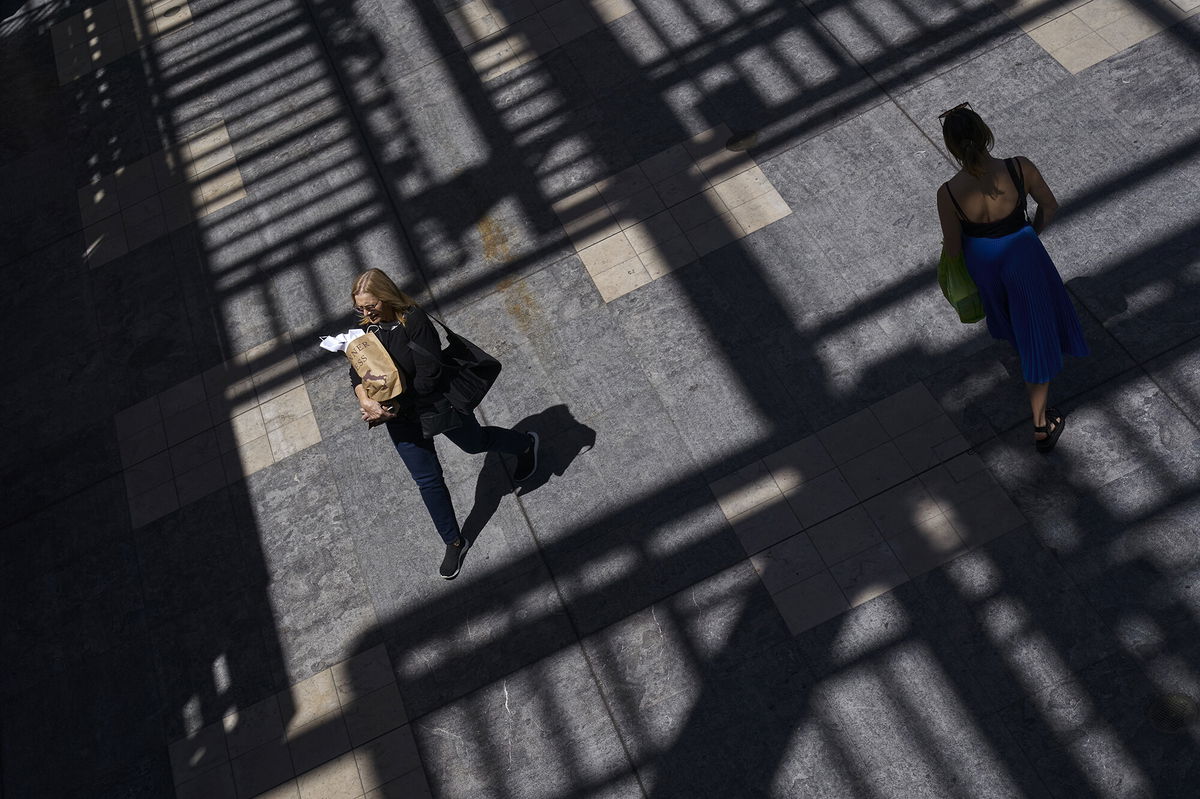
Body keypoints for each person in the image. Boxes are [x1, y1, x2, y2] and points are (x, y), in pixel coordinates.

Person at [349, 268, 539, 579]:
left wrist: (392, 406)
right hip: (399, 417)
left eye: (371, 306)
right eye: (360, 308)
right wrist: (365, 400)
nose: (366, 313)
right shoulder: (366, 329)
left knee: (475, 444)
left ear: (387, 297)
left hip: (434, 405)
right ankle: (453, 541)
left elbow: (429, 377)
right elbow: (357, 371)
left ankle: (525, 444)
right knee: (428, 480)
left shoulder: (414, 321)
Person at [935, 103, 1089, 452]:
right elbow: (1049, 206)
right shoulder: (1019, 167)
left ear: (953, 147)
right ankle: (1041, 426)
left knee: (1017, 325)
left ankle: (1033, 385)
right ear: (985, 133)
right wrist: (1030, 233)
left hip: (985, 265)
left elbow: (954, 249)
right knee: (1036, 335)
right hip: (1024, 257)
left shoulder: (948, 193)